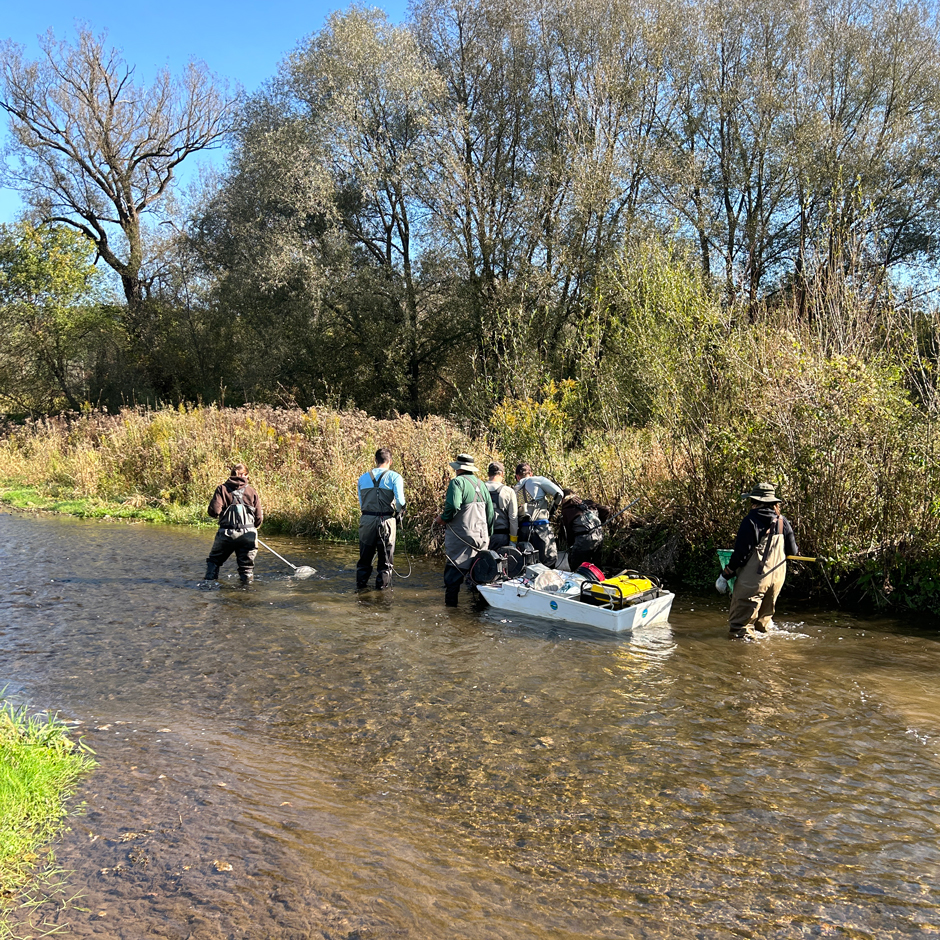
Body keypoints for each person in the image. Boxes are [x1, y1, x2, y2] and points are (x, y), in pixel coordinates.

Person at [716, 482, 799, 639]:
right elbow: (793, 551)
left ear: (754, 501)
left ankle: (744, 661)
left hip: (754, 579)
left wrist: (725, 575)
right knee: (762, 626)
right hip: (777, 579)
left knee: (740, 629)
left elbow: (741, 555)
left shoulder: (750, 521)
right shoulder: (782, 521)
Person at [435, 454, 494, 606]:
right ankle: (479, 617)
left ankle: (452, 613)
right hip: (482, 539)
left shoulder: (457, 482)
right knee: (480, 580)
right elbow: (490, 514)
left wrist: (443, 519)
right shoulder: (482, 484)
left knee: (452, 580)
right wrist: (488, 535)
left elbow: (453, 506)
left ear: (458, 468)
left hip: (460, 539)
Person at [356, 446, 406, 590]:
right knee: (385, 562)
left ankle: (360, 589)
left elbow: (362, 503)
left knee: (364, 560)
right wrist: (398, 515)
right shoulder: (395, 477)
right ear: (390, 461)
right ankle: (382, 593)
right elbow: (400, 502)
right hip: (386, 521)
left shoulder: (363, 478)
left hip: (366, 520)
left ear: (375, 460)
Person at [205, 463, 263, 583]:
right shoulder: (251, 491)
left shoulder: (222, 489)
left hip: (226, 534)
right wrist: (251, 529)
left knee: (214, 561)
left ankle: (208, 588)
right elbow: (259, 518)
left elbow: (214, 511)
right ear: (245, 475)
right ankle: (246, 593)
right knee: (246, 568)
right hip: (248, 534)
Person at [514, 463, 563, 568]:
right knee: (548, 562)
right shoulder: (537, 480)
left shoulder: (515, 488)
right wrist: (552, 510)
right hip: (541, 529)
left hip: (523, 531)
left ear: (518, 477)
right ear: (531, 474)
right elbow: (559, 494)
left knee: (527, 566)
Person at [560, 490, 610, 572]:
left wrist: (571, 544)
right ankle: (599, 582)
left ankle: (580, 583)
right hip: (599, 535)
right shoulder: (588, 503)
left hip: (583, 539)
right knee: (596, 566)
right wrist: (599, 523)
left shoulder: (567, 510)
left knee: (578, 566)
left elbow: (568, 532)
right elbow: (606, 509)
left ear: (563, 499)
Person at [485, 461, 518, 552]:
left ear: (488, 474)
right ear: (502, 474)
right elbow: (513, 518)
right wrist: (513, 542)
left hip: (483, 537)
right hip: (502, 537)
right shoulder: (508, 491)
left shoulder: (479, 489)